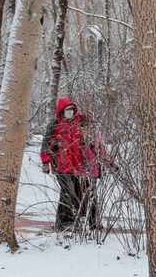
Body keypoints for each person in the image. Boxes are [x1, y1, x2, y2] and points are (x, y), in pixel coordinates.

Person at [40, 97, 117, 231]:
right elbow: (45, 145)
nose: (70, 113)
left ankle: (86, 222)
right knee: (67, 191)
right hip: (61, 166)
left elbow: (98, 147)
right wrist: (46, 162)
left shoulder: (80, 124)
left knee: (82, 193)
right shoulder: (55, 125)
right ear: (61, 111)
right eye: (67, 110)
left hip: (79, 167)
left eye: (72, 110)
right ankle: (65, 223)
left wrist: (109, 162)